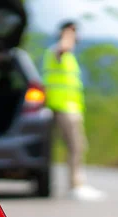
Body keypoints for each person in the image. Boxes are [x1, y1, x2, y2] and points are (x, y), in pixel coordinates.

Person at [42, 20, 106, 201]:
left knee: (72, 147)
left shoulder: (67, 57)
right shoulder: (57, 51)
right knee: (76, 146)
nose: (77, 36)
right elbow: (64, 47)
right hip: (64, 108)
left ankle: (73, 184)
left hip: (65, 106)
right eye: (73, 32)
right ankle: (76, 185)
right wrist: (68, 33)